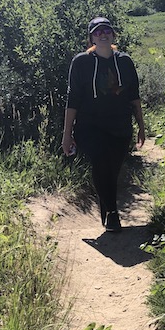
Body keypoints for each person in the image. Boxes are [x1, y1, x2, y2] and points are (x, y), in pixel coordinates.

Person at [61, 16, 145, 232]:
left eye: (106, 30)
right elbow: (73, 99)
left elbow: (134, 96)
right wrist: (67, 134)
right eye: (97, 32)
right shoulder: (81, 63)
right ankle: (111, 213)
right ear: (91, 38)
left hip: (119, 125)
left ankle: (107, 206)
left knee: (113, 170)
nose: (103, 34)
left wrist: (141, 126)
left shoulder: (124, 62)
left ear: (113, 34)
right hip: (90, 126)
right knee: (100, 164)